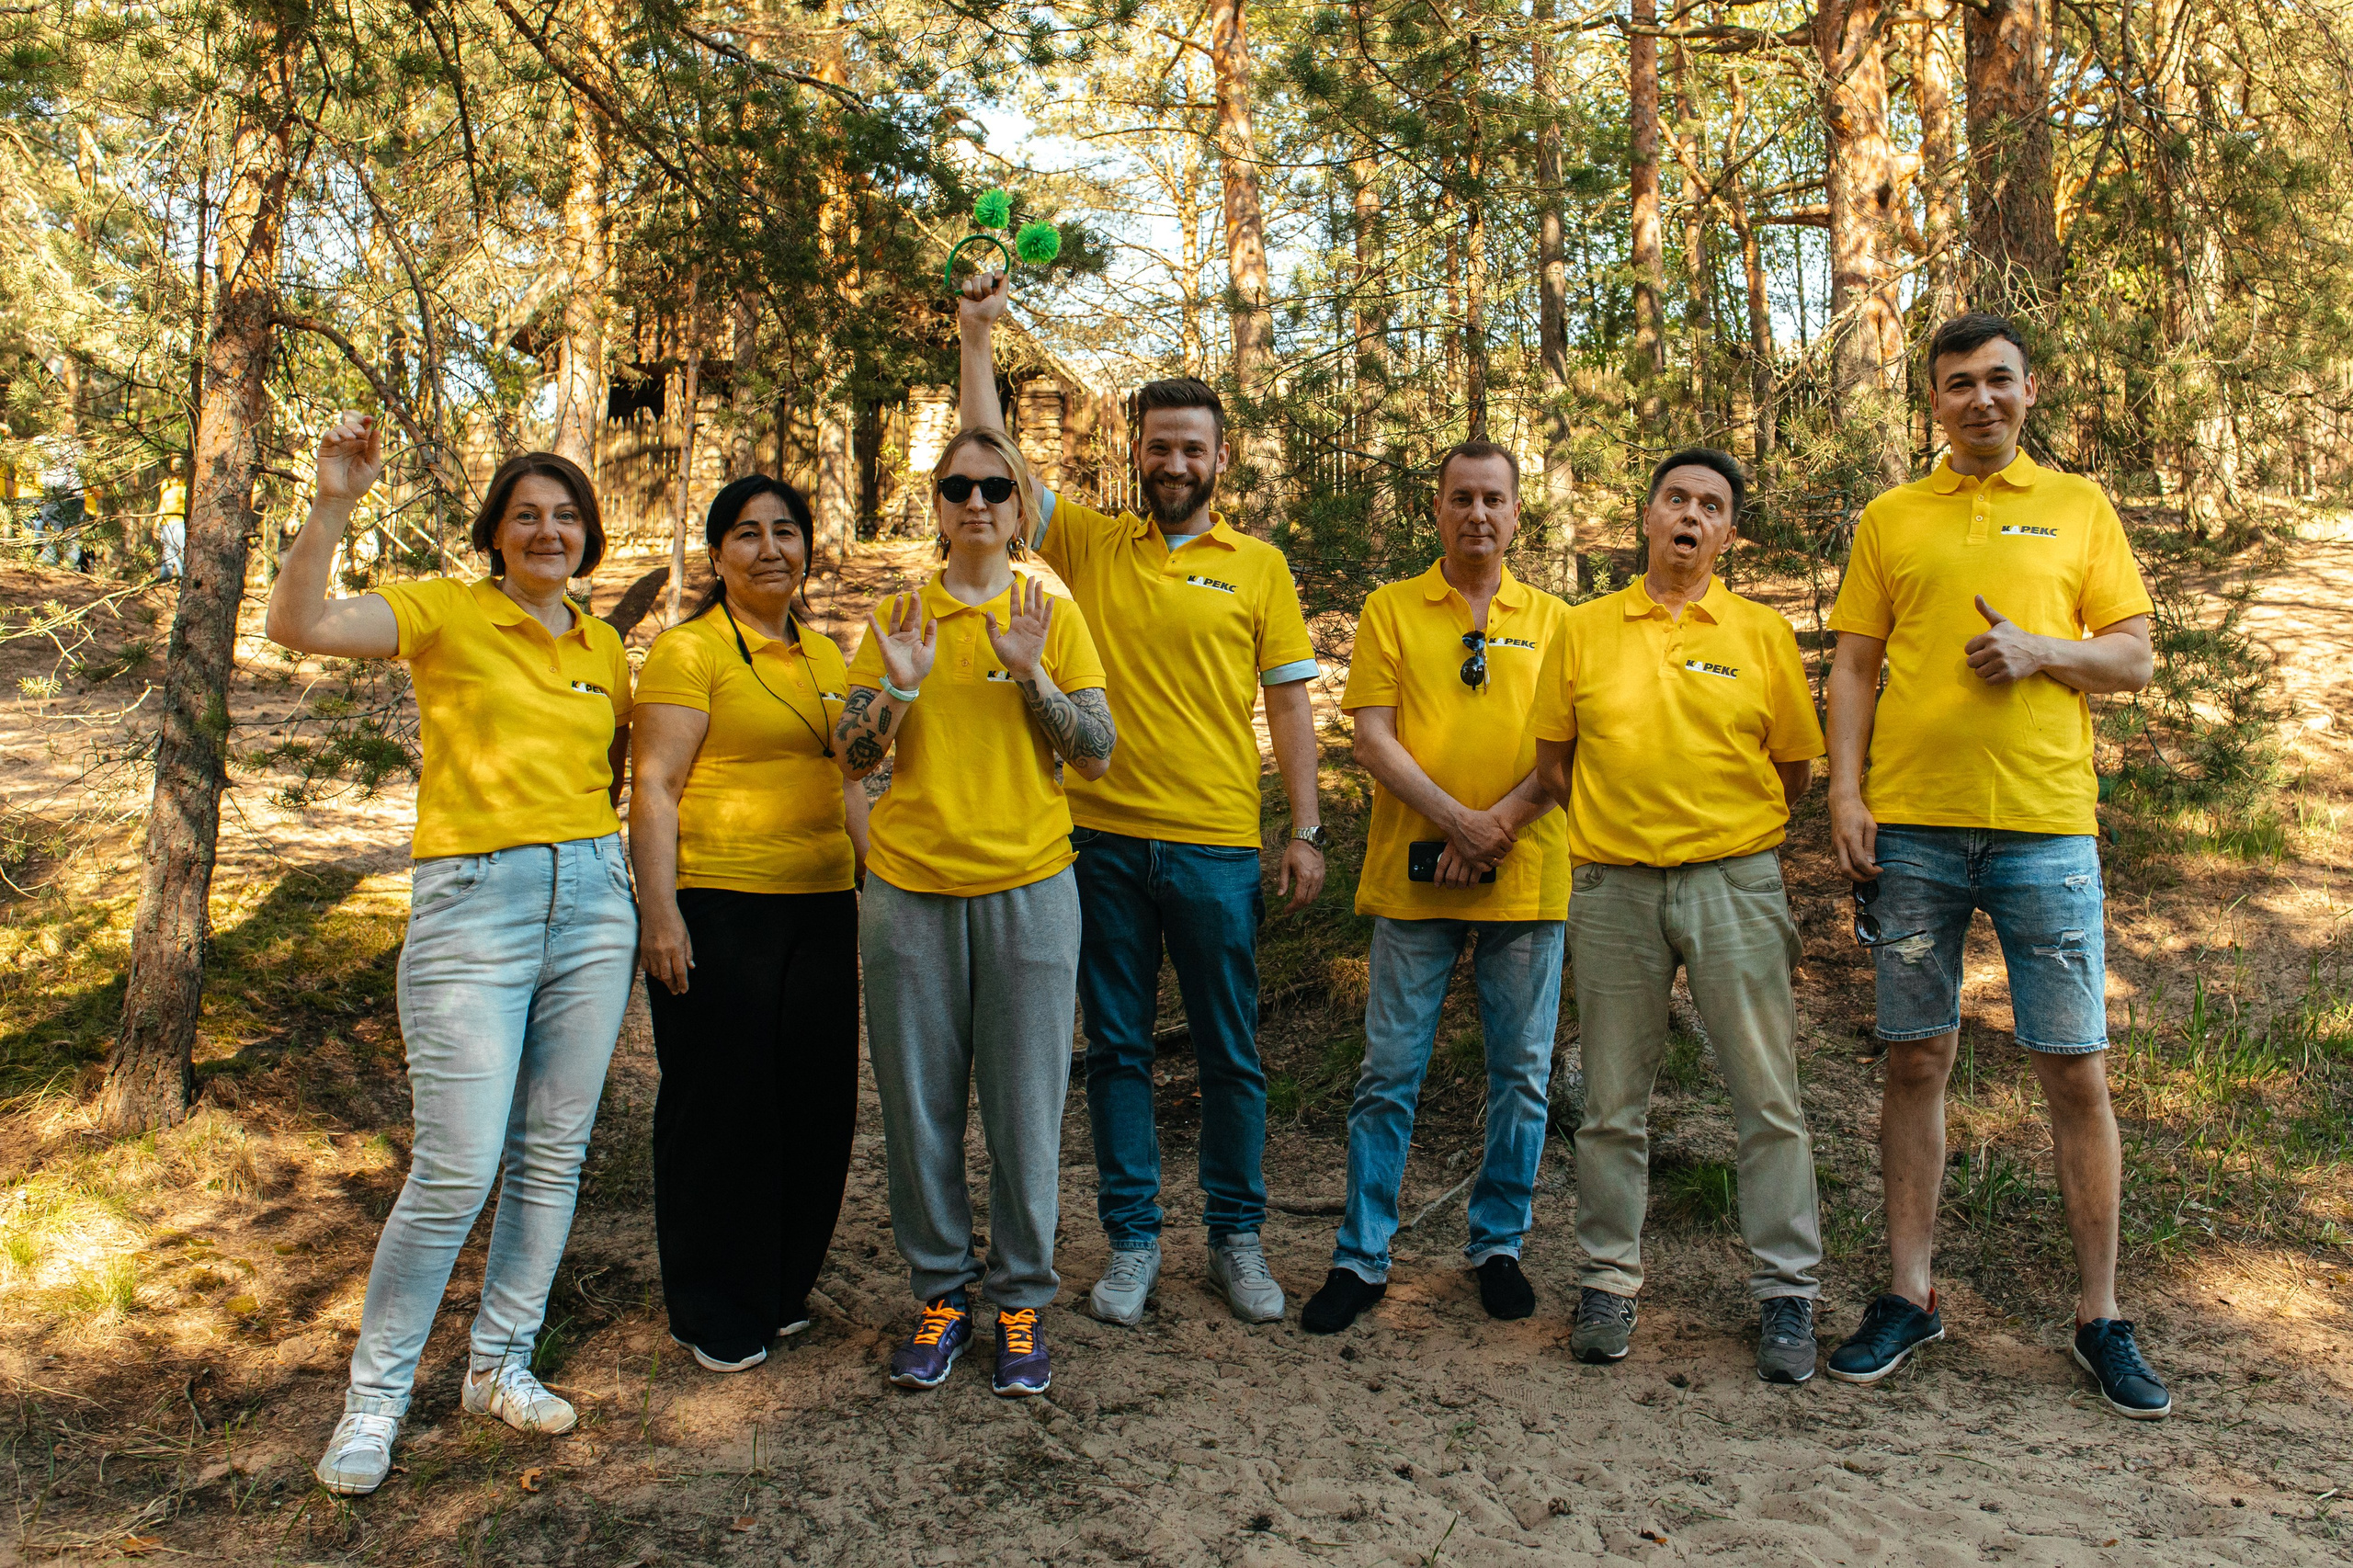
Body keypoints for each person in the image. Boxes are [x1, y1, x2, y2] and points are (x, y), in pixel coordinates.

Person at [268, 416, 638, 1494]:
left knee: (553, 1153)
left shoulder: (606, 647)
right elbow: (299, 624)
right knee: (455, 1167)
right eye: (526, 514)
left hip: (594, 903)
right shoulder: (443, 609)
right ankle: (372, 1404)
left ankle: (498, 1364)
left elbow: (610, 776)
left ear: (590, 534)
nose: (547, 529)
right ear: (495, 532)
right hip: (475, 903)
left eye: (567, 515)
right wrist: (333, 499)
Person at [959, 272, 1323, 1329]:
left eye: (1192, 446)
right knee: (1115, 1047)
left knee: (1228, 1051)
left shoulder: (1258, 566)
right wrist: (978, 334)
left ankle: (1236, 1238)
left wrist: (1301, 831)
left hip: (1215, 846)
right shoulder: (1083, 543)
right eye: (1157, 444)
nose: (1174, 461)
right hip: (1099, 840)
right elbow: (991, 457)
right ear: (1137, 452)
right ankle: (1131, 1241)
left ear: (1220, 457)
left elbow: (1292, 710)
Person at [1823, 314, 2167, 1418]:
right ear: (1932, 402)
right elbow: (1856, 664)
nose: (1980, 399)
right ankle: (1909, 1292)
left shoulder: (2078, 507)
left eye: (1999, 381)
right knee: (1914, 1060)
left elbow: (2133, 656)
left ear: (2031, 391)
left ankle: (2100, 1314)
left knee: (2072, 1065)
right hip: (1913, 831)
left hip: (2045, 830)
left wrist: (2040, 650)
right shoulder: (1891, 516)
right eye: (1957, 384)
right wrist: (1843, 790)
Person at [1531, 449, 1828, 1382]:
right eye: (1676, 499)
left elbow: (1792, 768)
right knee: (1611, 1103)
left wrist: (1722, 833)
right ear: (1646, 516)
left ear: (1728, 532)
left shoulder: (1761, 633)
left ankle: (1787, 1294)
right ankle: (1607, 1281)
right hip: (1613, 888)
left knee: (1765, 1096)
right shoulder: (1581, 631)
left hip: (1734, 882)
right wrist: (1622, 831)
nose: (1690, 516)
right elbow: (1552, 765)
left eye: (1711, 505)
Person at [835, 426, 1115, 1398]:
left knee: (1026, 1109)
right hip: (910, 891)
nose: (977, 500)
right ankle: (942, 1290)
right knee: (919, 1109)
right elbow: (852, 755)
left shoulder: (1051, 611)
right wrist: (900, 691)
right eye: (957, 485)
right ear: (938, 502)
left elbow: (1094, 753)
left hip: (1031, 887)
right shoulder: (897, 612)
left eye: (996, 485)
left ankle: (1023, 1296)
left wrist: (1032, 672)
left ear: (1018, 498)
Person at [1301, 442, 1571, 1335]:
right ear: (1437, 507)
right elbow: (1371, 740)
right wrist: (1459, 820)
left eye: (1494, 498)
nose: (1478, 514)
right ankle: (1361, 1255)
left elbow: (1568, 750)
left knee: (1521, 1076)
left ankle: (1498, 1245)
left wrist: (1496, 825)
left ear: (1517, 512)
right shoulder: (1389, 608)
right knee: (1387, 1075)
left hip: (1525, 875)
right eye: (1462, 498)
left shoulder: (1555, 619)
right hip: (1413, 878)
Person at [630, 474, 869, 1374]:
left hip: (819, 902)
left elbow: (851, 775)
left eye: (786, 531)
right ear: (718, 553)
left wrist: (880, 874)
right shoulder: (689, 652)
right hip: (718, 900)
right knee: (719, 1107)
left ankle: (777, 1286)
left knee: (811, 1103)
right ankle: (712, 1305)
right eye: (747, 533)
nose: (771, 548)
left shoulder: (827, 656)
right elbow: (652, 785)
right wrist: (660, 911)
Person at [156, 454, 188, 581]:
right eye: (173, 465)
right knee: (167, 549)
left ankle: (183, 576)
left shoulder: (187, 483)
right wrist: (156, 523)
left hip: (180, 521)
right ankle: (165, 576)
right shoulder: (166, 484)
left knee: (180, 549)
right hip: (166, 522)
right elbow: (162, 504)